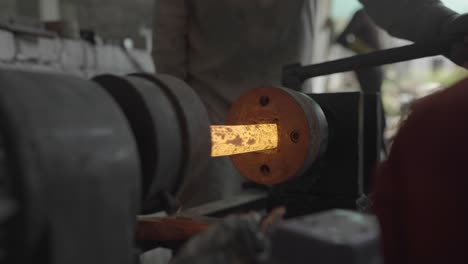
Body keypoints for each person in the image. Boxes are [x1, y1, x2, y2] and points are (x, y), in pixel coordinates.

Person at [153, 0, 468, 209]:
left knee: (300, 226)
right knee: (210, 233)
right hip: (218, 123)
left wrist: (442, 25)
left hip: (299, 119)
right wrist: (184, 115)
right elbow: (168, 34)